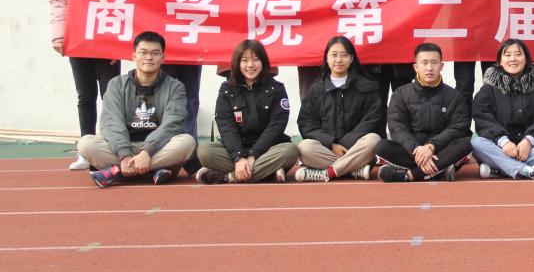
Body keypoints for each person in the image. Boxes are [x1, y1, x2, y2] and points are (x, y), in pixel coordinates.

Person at [50, 0, 129, 170]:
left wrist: (121, 46)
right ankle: (85, 150)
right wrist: (59, 36)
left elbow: (128, 1)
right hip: (79, 40)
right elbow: (59, 2)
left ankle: (110, 146)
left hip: (106, 41)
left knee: (110, 96)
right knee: (85, 95)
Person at [78, 31, 196, 188]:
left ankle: (117, 171)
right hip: (124, 146)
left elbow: (172, 124)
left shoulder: (175, 87)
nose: (149, 57)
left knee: (186, 142)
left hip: (159, 147)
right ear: (134, 56)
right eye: (143, 52)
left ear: (163, 57)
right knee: (85, 143)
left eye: (155, 53)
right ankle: (152, 170)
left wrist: (147, 152)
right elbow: (112, 123)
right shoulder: (116, 85)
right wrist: (124, 154)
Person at [195, 40, 299, 184]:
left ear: (263, 62)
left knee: (290, 151)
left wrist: (253, 155)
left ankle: (228, 177)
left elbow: (276, 126)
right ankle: (266, 174)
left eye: (255, 60)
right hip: (238, 148)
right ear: (237, 63)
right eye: (244, 60)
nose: (250, 65)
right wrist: (239, 157)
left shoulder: (277, 89)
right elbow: (226, 126)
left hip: (268, 150)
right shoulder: (227, 89)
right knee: (204, 152)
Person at [374, 43, 473, 182]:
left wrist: (431, 146)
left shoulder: (454, 96)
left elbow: (458, 127)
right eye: (424, 63)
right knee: (381, 147)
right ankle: (440, 172)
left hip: (440, 150)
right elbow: (397, 127)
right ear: (415, 67)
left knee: (465, 145)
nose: (429, 68)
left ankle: (409, 175)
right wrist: (417, 150)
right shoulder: (401, 94)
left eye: (434, 62)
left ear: (442, 66)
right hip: (412, 152)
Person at [471, 39, 534, 180]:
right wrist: (503, 141)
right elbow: (483, 119)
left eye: (518, 54)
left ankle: (501, 170)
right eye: (507, 55)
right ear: (500, 61)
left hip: (531, 148)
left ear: (526, 60)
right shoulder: (488, 90)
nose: (513, 59)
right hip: (500, 147)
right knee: (477, 143)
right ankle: (527, 171)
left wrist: (529, 140)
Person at [295, 36, 382, 181]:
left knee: (373, 140)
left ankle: (327, 173)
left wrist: (346, 143)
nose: (339, 60)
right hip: (329, 149)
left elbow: (372, 119)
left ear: (352, 58)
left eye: (344, 55)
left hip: (355, 148)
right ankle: (352, 169)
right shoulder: (316, 89)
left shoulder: (366, 86)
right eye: (334, 55)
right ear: (327, 58)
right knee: (304, 147)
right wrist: (331, 144)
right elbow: (306, 123)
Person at [159, 0, 204, 172]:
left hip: (193, 51)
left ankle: (189, 153)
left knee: (191, 99)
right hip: (168, 53)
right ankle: (169, 152)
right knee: (168, 101)